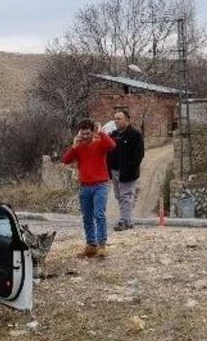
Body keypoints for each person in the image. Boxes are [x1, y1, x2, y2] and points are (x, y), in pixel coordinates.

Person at [62, 119, 116, 257]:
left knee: (99, 214)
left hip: (101, 185)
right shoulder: (78, 147)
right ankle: (91, 245)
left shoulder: (100, 143)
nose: (85, 136)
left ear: (92, 132)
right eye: (82, 133)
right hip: (85, 186)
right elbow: (66, 160)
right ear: (79, 133)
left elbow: (112, 145)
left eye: (87, 133)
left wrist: (101, 133)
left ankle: (102, 244)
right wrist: (74, 146)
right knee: (87, 217)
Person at [107, 109, 145, 231]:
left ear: (127, 120)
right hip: (114, 170)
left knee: (126, 196)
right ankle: (128, 220)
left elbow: (139, 155)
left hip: (127, 172)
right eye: (115, 119)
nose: (116, 121)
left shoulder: (135, 135)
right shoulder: (113, 135)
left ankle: (123, 221)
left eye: (119, 119)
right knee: (119, 196)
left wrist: (130, 168)